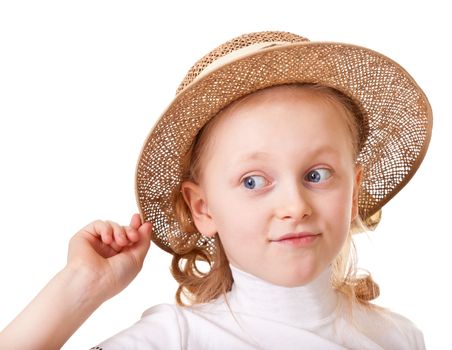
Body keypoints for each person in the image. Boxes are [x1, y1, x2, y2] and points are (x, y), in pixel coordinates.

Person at [0, 31, 432, 349]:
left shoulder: (398, 337)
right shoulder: (176, 339)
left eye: (317, 175)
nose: (294, 206)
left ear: (354, 191)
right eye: (252, 181)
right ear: (204, 208)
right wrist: (81, 284)